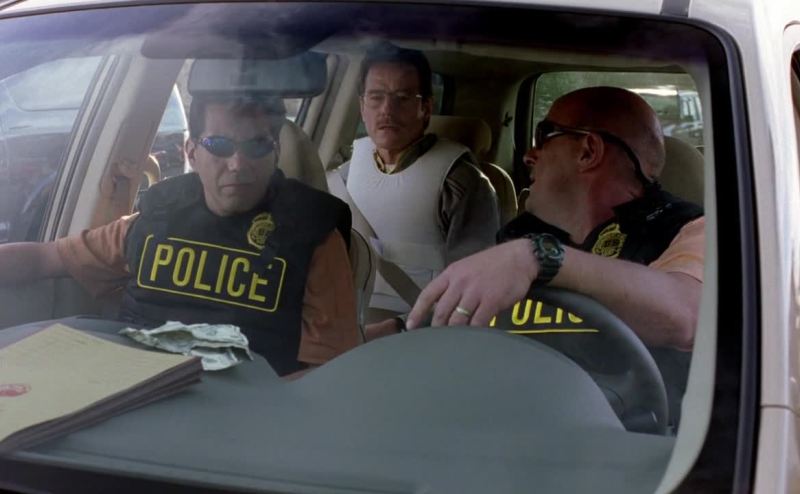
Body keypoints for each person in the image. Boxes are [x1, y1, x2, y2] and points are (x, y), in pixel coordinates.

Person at [0, 94, 360, 377]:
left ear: (276, 153)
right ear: (191, 151)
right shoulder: (155, 220)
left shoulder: (313, 238)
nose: (238, 164)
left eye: (257, 146)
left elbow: (328, 374)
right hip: (134, 396)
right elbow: (46, 258)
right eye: (219, 145)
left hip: (246, 422)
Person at [406, 85, 704, 353]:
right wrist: (401, 330)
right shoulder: (520, 233)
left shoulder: (691, 228)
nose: (529, 156)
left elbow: (686, 315)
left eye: (544, 136)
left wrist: (538, 258)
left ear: (588, 151)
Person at [343, 43, 500, 314]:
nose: (387, 110)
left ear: (426, 108)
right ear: (362, 106)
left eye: (403, 97)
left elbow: (472, 288)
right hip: (346, 319)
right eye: (376, 97)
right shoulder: (343, 175)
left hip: (423, 327)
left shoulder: (461, 183)